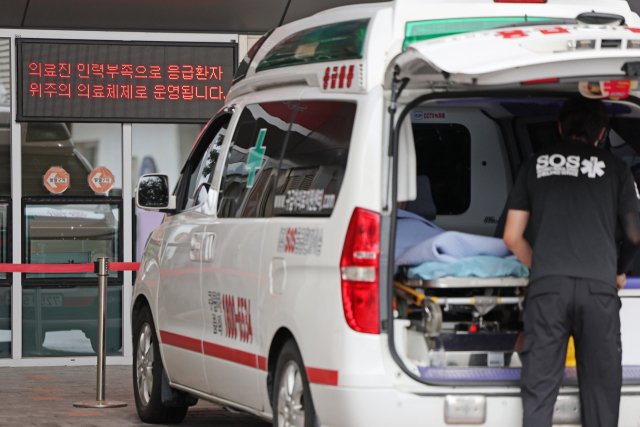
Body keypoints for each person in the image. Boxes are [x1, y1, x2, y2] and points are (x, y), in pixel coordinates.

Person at [503, 97, 640, 427]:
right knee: (601, 394)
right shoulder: (617, 169)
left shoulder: (534, 165)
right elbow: (635, 236)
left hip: (548, 290)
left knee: (539, 394)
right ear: (602, 132)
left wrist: (543, 267)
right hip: (599, 290)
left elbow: (511, 236)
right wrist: (617, 270)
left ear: (560, 126)